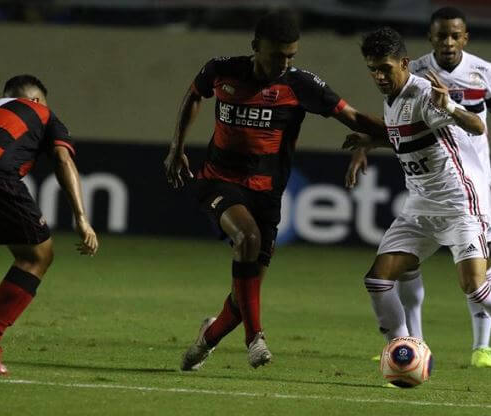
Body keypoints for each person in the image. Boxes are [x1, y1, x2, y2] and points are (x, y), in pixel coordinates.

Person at [164, 10, 387, 371]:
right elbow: (193, 96)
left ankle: (206, 338)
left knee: (243, 295)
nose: (284, 63)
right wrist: (177, 147)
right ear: (255, 47)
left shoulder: (302, 86)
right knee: (247, 238)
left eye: (291, 56)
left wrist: (404, 134)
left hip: (267, 193)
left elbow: (354, 117)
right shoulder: (222, 70)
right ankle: (256, 338)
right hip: (218, 180)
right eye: (276, 55)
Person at [342, 27, 491, 387]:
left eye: (385, 68)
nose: (379, 77)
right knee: (378, 279)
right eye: (373, 69)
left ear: (404, 63)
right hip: (419, 208)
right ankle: (403, 349)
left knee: (476, 288)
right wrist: (370, 142)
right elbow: (406, 139)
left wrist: (448, 103)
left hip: (459, 204)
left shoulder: (423, 94)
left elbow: (477, 125)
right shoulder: (393, 99)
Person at [0, 74, 99, 375]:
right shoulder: (43, 113)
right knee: (36, 256)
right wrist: (81, 218)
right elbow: (63, 161)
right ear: (35, 100)